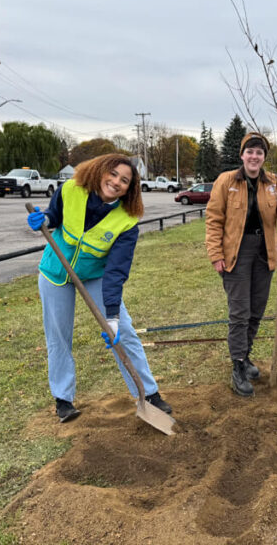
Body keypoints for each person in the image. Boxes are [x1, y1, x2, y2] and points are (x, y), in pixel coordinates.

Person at [27, 154, 172, 422]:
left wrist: (113, 317)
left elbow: (116, 271)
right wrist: (44, 220)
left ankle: (149, 395)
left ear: (130, 188)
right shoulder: (71, 190)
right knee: (58, 336)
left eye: (125, 180)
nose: (116, 182)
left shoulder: (127, 221)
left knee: (124, 332)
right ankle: (63, 399)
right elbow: (53, 216)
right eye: (113, 174)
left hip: (95, 275)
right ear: (101, 171)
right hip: (56, 271)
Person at [205, 132, 277, 396]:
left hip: (264, 253)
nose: (255, 156)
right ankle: (237, 366)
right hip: (236, 253)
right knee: (240, 314)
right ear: (242, 155)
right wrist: (216, 255)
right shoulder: (226, 181)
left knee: (256, 311)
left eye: (259, 153)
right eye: (250, 152)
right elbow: (213, 220)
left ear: (264, 157)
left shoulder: (276, 183)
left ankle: (245, 357)